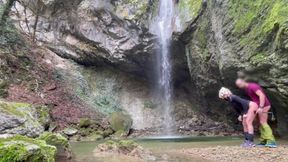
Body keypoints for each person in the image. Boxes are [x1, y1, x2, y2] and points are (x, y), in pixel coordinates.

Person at [236, 79, 277, 148]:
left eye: (240, 84)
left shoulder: (253, 86)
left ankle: (271, 141)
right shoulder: (247, 89)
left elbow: (262, 95)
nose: (239, 86)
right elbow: (255, 99)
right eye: (238, 85)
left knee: (263, 122)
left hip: (264, 105)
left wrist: (261, 107)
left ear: (243, 82)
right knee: (259, 123)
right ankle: (264, 140)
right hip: (258, 106)